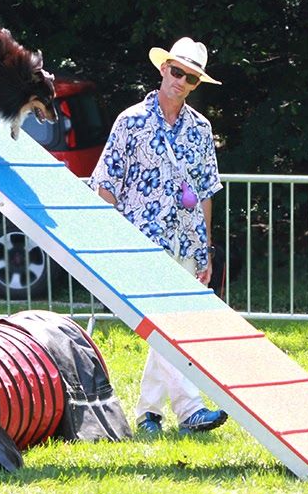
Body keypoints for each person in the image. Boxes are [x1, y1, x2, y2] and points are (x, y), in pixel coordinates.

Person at [89, 36, 229, 436]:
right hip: (140, 242)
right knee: (169, 325)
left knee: (170, 327)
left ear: (195, 85)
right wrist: (106, 240)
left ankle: (148, 413)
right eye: (177, 71)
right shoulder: (130, 121)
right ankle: (190, 409)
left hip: (186, 240)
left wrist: (207, 249)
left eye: (191, 78)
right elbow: (105, 185)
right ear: (163, 68)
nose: (181, 81)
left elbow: (206, 192)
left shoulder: (201, 130)